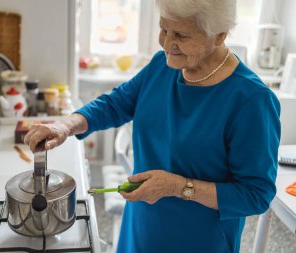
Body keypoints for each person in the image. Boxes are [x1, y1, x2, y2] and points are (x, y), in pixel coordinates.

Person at [24, 0, 281, 252]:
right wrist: (65, 126)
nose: (167, 44)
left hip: (198, 240)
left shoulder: (252, 100)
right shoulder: (162, 65)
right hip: (141, 223)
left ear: (220, 35)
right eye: (163, 29)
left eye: (180, 34)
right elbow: (115, 104)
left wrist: (177, 187)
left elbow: (255, 194)